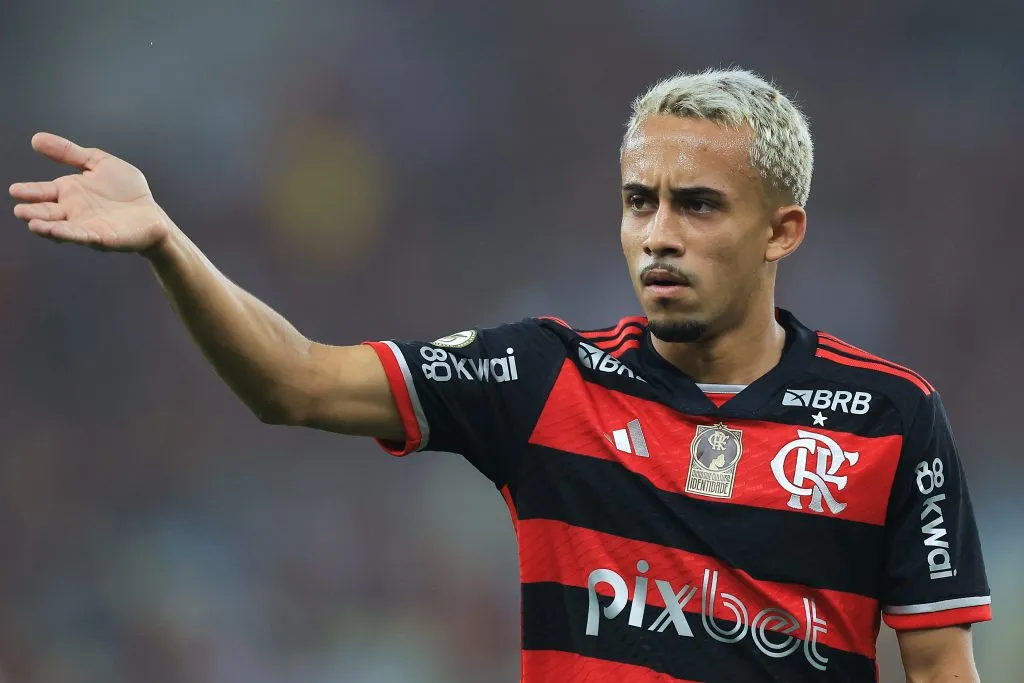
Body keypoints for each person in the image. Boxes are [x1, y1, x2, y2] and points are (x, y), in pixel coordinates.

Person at [9, 68, 990, 682]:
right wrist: (168, 242)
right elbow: (297, 382)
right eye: (638, 201)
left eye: (696, 205)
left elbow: (942, 668)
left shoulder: (890, 417)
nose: (657, 235)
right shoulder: (542, 374)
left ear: (782, 230)